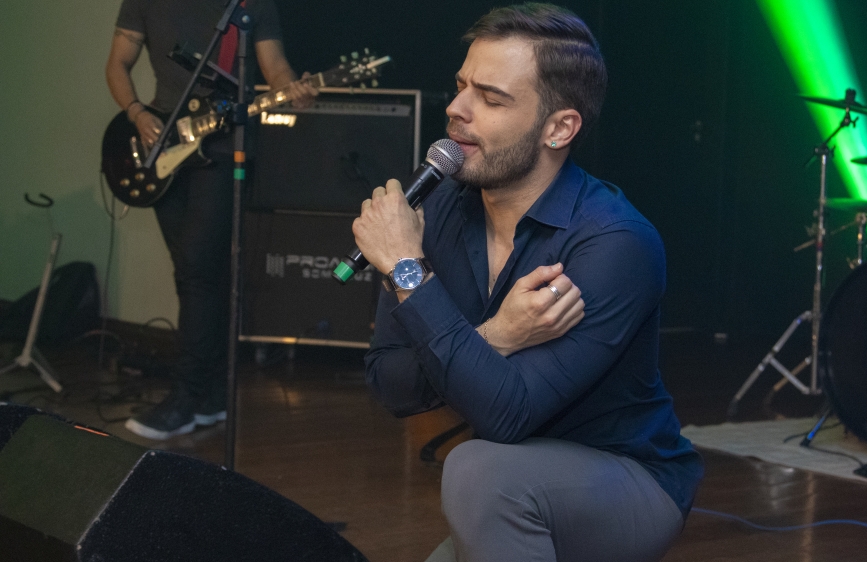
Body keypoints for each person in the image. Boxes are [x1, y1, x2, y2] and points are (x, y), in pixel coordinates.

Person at [354, 4, 703, 561]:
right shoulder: (437, 211)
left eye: (491, 99)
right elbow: (389, 385)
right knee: (483, 476)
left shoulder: (615, 242)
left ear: (559, 128)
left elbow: (507, 413)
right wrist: (494, 336)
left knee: (475, 467)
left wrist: (405, 268)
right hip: (507, 481)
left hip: (626, 478)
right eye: (461, 86)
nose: (456, 109)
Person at [105, 0, 316, 440]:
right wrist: (137, 113)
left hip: (220, 150)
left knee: (199, 269)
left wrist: (292, 88)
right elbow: (118, 64)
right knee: (195, 274)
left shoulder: (250, 4)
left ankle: (185, 397)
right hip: (163, 147)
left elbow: (275, 68)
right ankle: (212, 394)